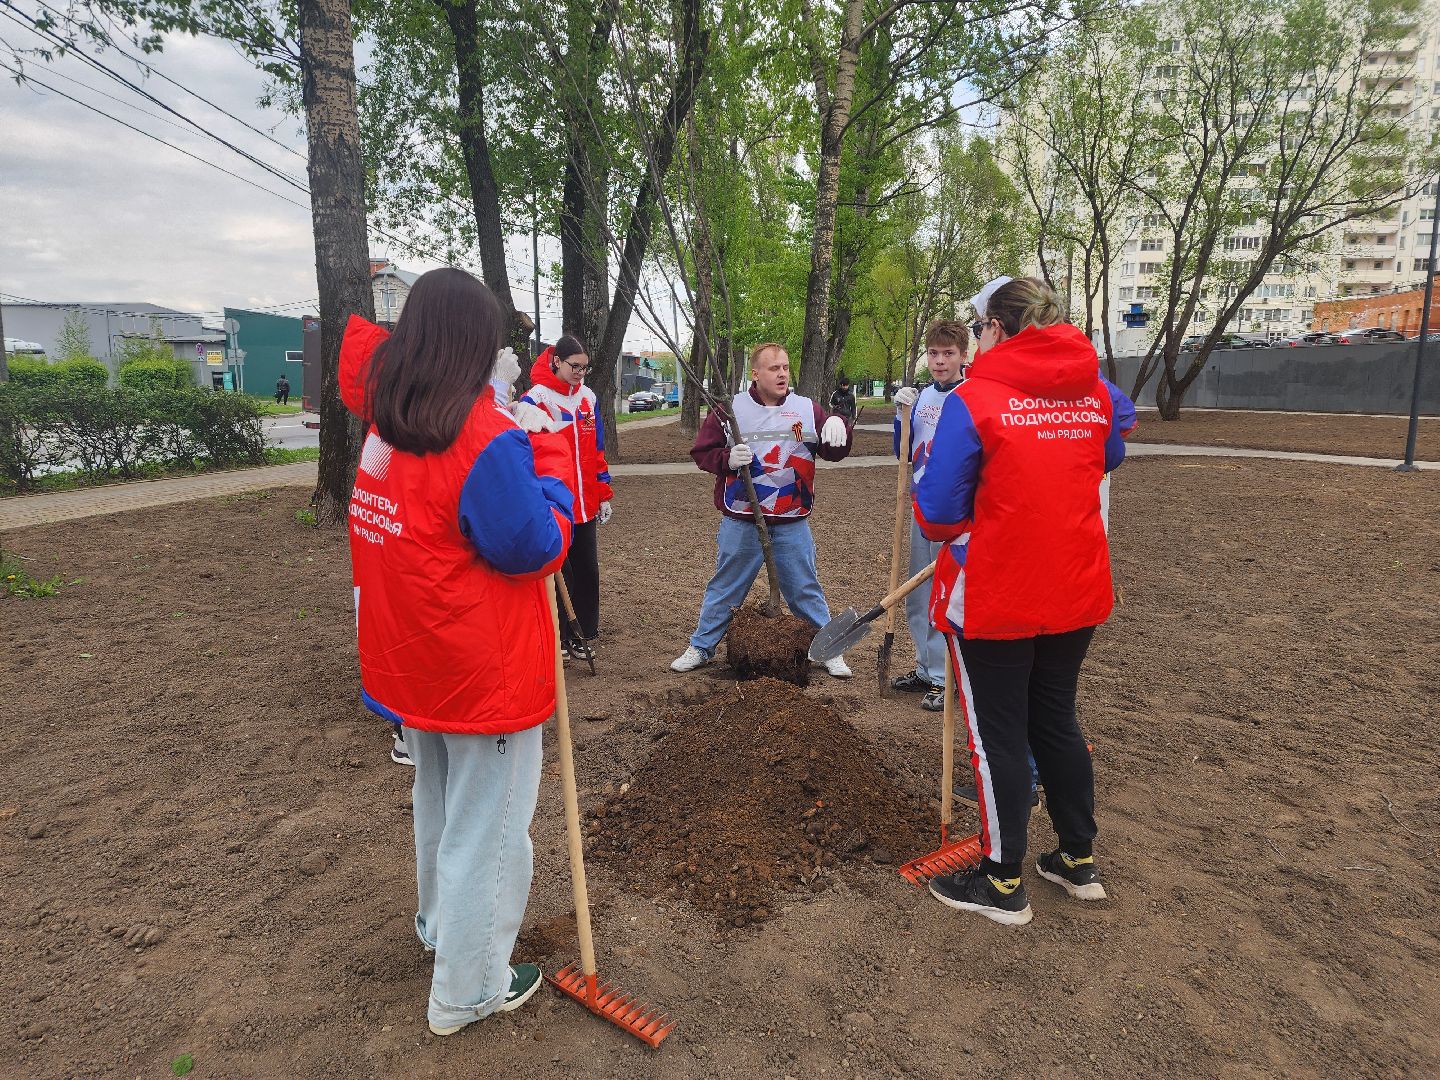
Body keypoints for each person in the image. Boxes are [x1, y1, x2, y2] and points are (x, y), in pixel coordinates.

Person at [338, 267, 576, 1034]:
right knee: (492, 829)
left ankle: (443, 929)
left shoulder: (389, 418)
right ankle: (467, 990)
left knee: (440, 801)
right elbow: (531, 546)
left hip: (415, 657)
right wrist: (552, 473)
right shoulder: (483, 437)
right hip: (481, 670)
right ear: (475, 344)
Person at [915, 275, 1135, 926]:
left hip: (998, 593)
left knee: (998, 738)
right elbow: (1110, 456)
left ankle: (1002, 880)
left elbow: (936, 514)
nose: (976, 338)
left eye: (978, 328)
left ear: (996, 329)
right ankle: (1076, 859)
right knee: (1055, 720)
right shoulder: (1094, 391)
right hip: (1074, 586)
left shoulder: (974, 398)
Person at [671, 342, 855, 677]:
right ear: (755, 374)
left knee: (804, 587)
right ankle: (701, 646)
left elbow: (834, 452)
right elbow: (702, 453)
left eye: (785, 367)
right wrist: (726, 459)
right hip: (742, 518)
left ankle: (830, 648)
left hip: (791, 518)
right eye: (774, 368)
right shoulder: (730, 410)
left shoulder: (807, 409)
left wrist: (840, 424)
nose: (782, 374)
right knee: (726, 586)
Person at [514, 336, 613, 658]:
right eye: (575, 366)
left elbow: (597, 451)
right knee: (561, 571)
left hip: (585, 503)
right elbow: (524, 453)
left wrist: (603, 494)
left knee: (587, 570)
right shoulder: (536, 399)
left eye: (585, 368)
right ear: (556, 361)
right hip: (555, 503)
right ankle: (559, 637)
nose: (580, 373)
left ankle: (584, 634)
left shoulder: (588, 398)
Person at [889, 320, 968, 712]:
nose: (939, 361)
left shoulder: (970, 396)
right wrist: (900, 416)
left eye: (948, 354)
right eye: (933, 353)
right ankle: (927, 666)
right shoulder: (920, 398)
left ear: (963, 356)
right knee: (918, 594)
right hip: (923, 508)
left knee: (945, 594)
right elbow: (902, 451)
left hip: (955, 515)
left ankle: (944, 675)